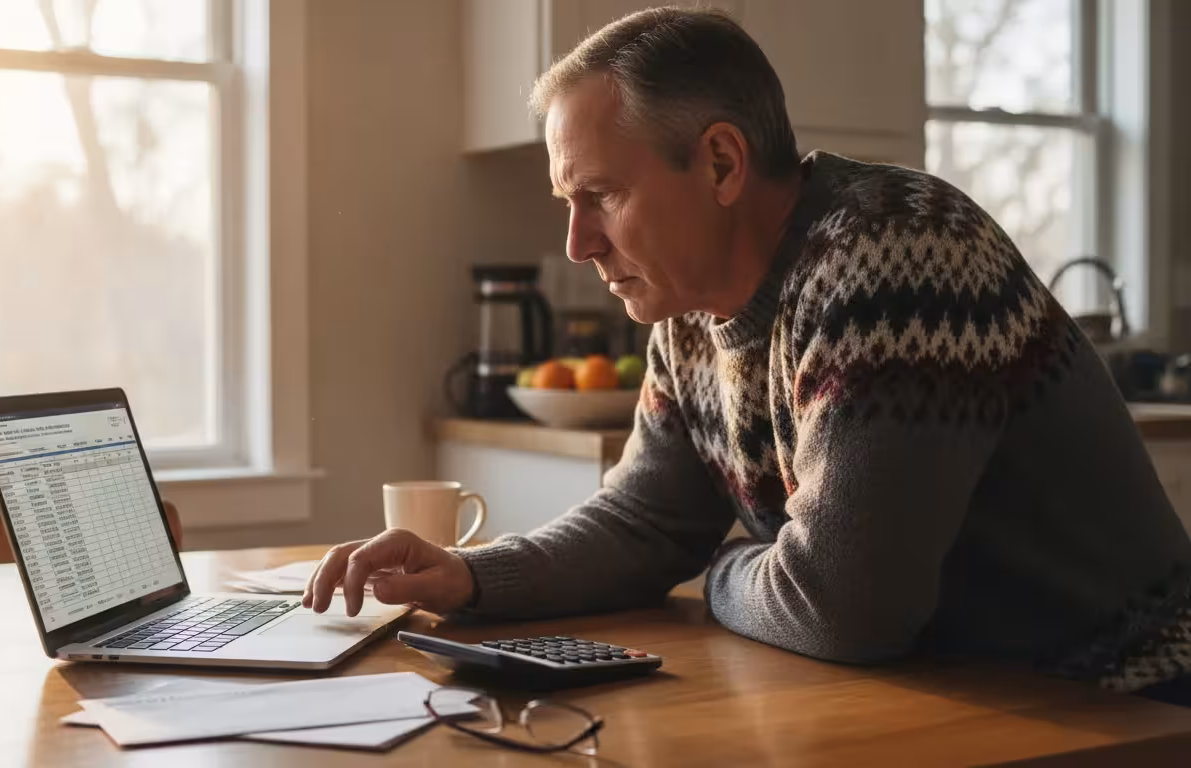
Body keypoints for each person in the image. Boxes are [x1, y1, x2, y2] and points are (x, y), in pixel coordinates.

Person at [304, 7, 1191, 699]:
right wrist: (465, 574)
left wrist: (718, 565)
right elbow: (644, 525)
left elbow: (843, 610)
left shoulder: (893, 253)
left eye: (601, 196)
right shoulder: (687, 317)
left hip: (1123, 703)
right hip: (966, 693)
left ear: (722, 164)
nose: (577, 243)